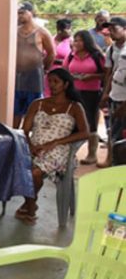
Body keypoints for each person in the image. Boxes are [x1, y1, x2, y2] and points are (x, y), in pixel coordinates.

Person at [18, 68, 89, 224]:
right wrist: (30, 145)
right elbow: (25, 130)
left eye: (56, 81)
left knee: (34, 173)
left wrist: (55, 142)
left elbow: (85, 133)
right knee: (21, 168)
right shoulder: (37, 104)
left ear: (65, 84)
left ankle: (30, 208)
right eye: (49, 81)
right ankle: (30, 204)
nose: (51, 85)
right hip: (34, 147)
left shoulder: (74, 107)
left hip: (59, 149)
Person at [64, 30, 105, 164]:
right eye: (75, 40)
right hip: (74, 92)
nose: (76, 43)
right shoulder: (71, 55)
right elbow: (64, 71)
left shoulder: (96, 56)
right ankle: (70, 154)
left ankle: (92, 153)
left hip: (91, 93)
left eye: (80, 40)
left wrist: (91, 77)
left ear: (86, 41)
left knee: (90, 121)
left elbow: (106, 74)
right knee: (72, 121)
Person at [13, 2, 54, 129]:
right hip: (16, 77)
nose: (19, 16)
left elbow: (52, 53)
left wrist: (44, 68)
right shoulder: (14, 31)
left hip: (34, 77)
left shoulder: (42, 32)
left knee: (34, 111)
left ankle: (29, 139)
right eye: (18, 13)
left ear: (31, 13)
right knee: (15, 111)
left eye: (22, 13)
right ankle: (15, 137)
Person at [101, 17, 126, 167]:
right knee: (114, 131)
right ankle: (114, 163)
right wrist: (105, 93)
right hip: (115, 97)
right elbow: (112, 72)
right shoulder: (112, 49)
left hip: (124, 100)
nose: (111, 33)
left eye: (114, 29)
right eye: (109, 30)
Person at [45, 19, 73, 96]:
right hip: (48, 73)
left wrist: (58, 61)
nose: (70, 31)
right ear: (59, 30)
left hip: (63, 73)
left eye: (71, 29)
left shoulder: (71, 42)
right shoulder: (50, 40)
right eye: (68, 29)